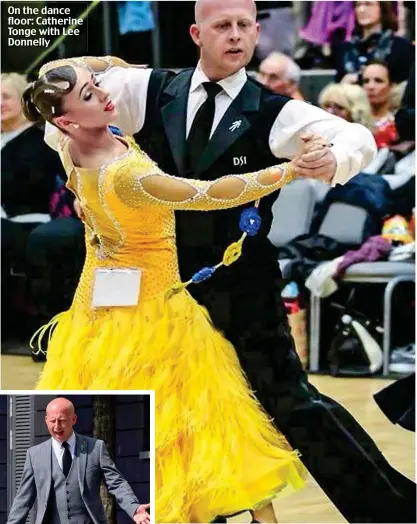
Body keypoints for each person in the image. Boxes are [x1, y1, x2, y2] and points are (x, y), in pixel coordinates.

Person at [36, 0, 415, 521]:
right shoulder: (148, 89)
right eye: (222, 26)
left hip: (240, 284)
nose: (235, 36)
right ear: (196, 32)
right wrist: (94, 80)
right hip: (157, 291)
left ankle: (395, 511)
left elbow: (355, 136)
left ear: (259, 32)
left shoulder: (272, 109)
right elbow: (58, 96)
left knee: (290, 405)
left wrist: (333, 157)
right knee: (173, 413)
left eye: (245, 26)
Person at [24, 60, 310, 523]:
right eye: (90, 95)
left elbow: (59, 66)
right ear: (67, 119)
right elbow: (211, 193)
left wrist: (114, 64)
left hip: (97, 307)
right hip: (155, 314)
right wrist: (290, 171)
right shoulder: (127, 177)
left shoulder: (63, 143)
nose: (103, 92)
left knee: (135, 428)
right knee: (204, 423)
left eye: (96, 86)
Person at [7, 397, 150, 524]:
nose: (57, 427)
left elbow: (116, 482)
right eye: (52, 421)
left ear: (74, 419)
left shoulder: (95, 447)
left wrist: (134, 508)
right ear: (46, 420)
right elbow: (23, 498)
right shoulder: (35, 455)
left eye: (62, 421)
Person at [334, 0, 414, 84]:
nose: (362, 10)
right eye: (358, 5)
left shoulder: (401, 47)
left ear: (382, 8)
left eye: (368, 4)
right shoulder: (345, 48)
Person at [362, 60, 400, 149]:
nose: (370, 86)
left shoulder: (399, 122)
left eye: (378, 81)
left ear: (391, 86)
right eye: (366, 81)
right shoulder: (354, 120)